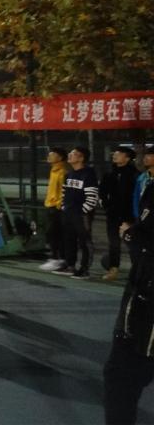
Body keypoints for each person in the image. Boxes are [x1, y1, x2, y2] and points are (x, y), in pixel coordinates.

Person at [103, 147, 154, 425]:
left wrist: (130, 235)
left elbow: (146, 242)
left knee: (121, 376)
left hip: (146, 301)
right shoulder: (145, 184)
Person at [54, 146, 99, 279]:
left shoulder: (88, 174)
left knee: (85, 241)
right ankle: (70, 266)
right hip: (68, 213)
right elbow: (64, 193)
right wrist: (64, 207)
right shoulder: (69, 174)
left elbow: (92, 197)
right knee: (69, 240)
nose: (70, 155)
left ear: (81, 158)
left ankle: (84, 269)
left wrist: (82, 211)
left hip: (81, 215)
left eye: (73, 154)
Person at [101, 147, 139, 281]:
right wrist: (106, 205)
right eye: (115, 153)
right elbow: (102, 192)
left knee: (133, 244)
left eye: (119, 154)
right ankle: (113, 269)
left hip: (129, 216)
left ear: (127, 158)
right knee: (113, 243)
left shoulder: (135, 175)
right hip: (113, 215)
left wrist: (134, 216)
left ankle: (137, 271)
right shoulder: (109, 173)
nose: (115, 155)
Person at [39, 148, 70, 272]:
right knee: (53, 233)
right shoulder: (54, 170)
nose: (49, 156)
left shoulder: (62, 172)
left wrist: (58, 205)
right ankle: (57, 258)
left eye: (52, 155)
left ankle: (57, 259)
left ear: (60, 157)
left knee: (55, 233)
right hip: (51, 206)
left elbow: (63, 191)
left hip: (57, 208)